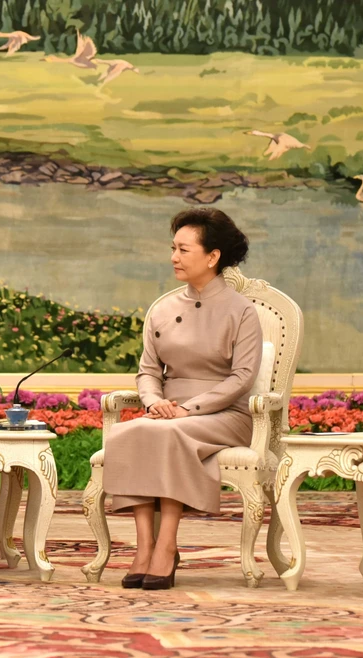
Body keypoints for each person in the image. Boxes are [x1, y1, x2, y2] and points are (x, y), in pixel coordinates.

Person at [102, 207, 262, 590]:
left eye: (184, 250)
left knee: (171, 433)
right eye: (172, 248)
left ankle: (167, 544)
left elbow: (242, 377)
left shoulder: (242, 312)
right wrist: (153, 402)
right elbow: (148, 371)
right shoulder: (163, 308)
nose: (173, 257)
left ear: (212, 256)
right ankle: (144, 548)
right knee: (129, 433)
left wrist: (187, 409)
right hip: (166, 411)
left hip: (223, 414)